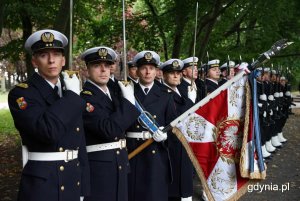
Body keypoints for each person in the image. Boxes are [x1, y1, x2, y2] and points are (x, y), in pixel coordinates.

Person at [8, 29, 90, 201]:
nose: (51, 60)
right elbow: (47, 131)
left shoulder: (70, 93)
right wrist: (72, 98)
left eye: (56, 54)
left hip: (72, 180)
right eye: (44, 55)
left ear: (63, 60)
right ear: (34, 61)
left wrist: (83, 187)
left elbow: (79, 141)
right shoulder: (22, 94)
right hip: (43, 184)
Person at [80, 46, 140, 201]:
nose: (103, 70)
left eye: (106, 65)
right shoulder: (86, 97)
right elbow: (109, 129)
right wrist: (128, 103)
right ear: (87, 69)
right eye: (96, 65)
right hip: (100, 168)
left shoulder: (113, 94)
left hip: (119, 162)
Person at [126, 50, 177, 201]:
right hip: (133, 151)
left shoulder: (166, 95)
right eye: (143, 68)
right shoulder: (128, 92)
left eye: (152, 68)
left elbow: (174, 127)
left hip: (156, 152)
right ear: (137, 70)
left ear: (156, 71)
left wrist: (166, 136)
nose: (148, 72)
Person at [159, 59, 195, 201]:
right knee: (173, 189)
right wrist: (191, 102)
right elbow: (177, 118)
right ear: (164, 75)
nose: (175, 76)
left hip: (183, 144)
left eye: (178, 73)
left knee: (184, 187)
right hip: (171, 145)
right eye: (171, 73)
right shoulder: (163, 92)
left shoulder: (180, 91)